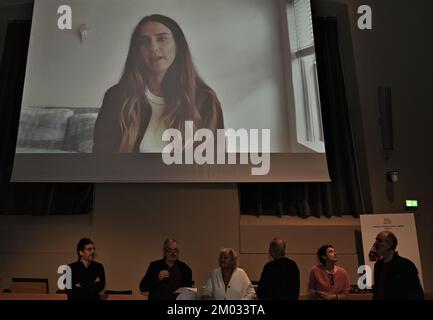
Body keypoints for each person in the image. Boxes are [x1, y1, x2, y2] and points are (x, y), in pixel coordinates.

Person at [93, 14, 224, 153]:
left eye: (161, 39)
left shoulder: (204, 99)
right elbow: (101, 159)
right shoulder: (117, 97)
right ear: (137, 51)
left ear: (178, 45)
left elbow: (213, 163)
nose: (153, 47)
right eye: (144, 42)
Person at [372, 231, 424, 300]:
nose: (375, 243)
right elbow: (377, 292)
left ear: (390, 244)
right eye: (376, 240)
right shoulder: (378, 266)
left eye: (379, 240)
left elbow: (417, 294)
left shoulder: (406, 265)